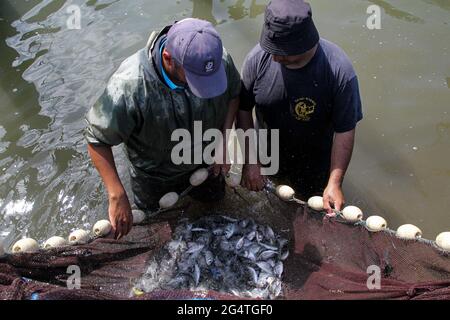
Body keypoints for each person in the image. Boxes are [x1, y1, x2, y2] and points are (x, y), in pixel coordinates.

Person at [85, 18, 241, 239]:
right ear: (168, 59)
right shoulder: (130, 86)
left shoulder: (216, 60)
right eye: (195, 79)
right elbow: (97, 139)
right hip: (156, 177)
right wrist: (116, 193)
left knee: (216, 209)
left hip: (207, 162)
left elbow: (234, 94)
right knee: (160, 232)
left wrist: (224, 142)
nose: (204, 85)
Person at [237, 0, 363, 215]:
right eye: (271, 48)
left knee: (310, 211)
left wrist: (335, 182)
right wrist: (251, 160)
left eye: (282, 52)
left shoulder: (339, 72)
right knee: (270, 209)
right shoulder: (258, 59)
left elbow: (345, 130)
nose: (275, 57)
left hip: (315, 161)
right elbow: (243, 109)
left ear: (303, 43)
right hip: (269, 154)